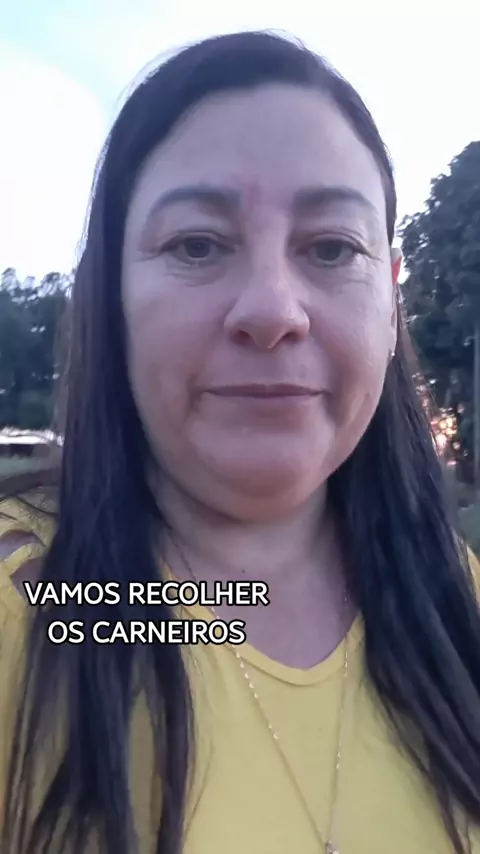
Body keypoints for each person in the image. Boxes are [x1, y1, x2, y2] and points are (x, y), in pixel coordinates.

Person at [0, 30, 479, 854]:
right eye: (197, 245)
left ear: (391, 295)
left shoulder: (460, 598)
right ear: (112, 290)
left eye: (332, 247)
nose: (272, 310)